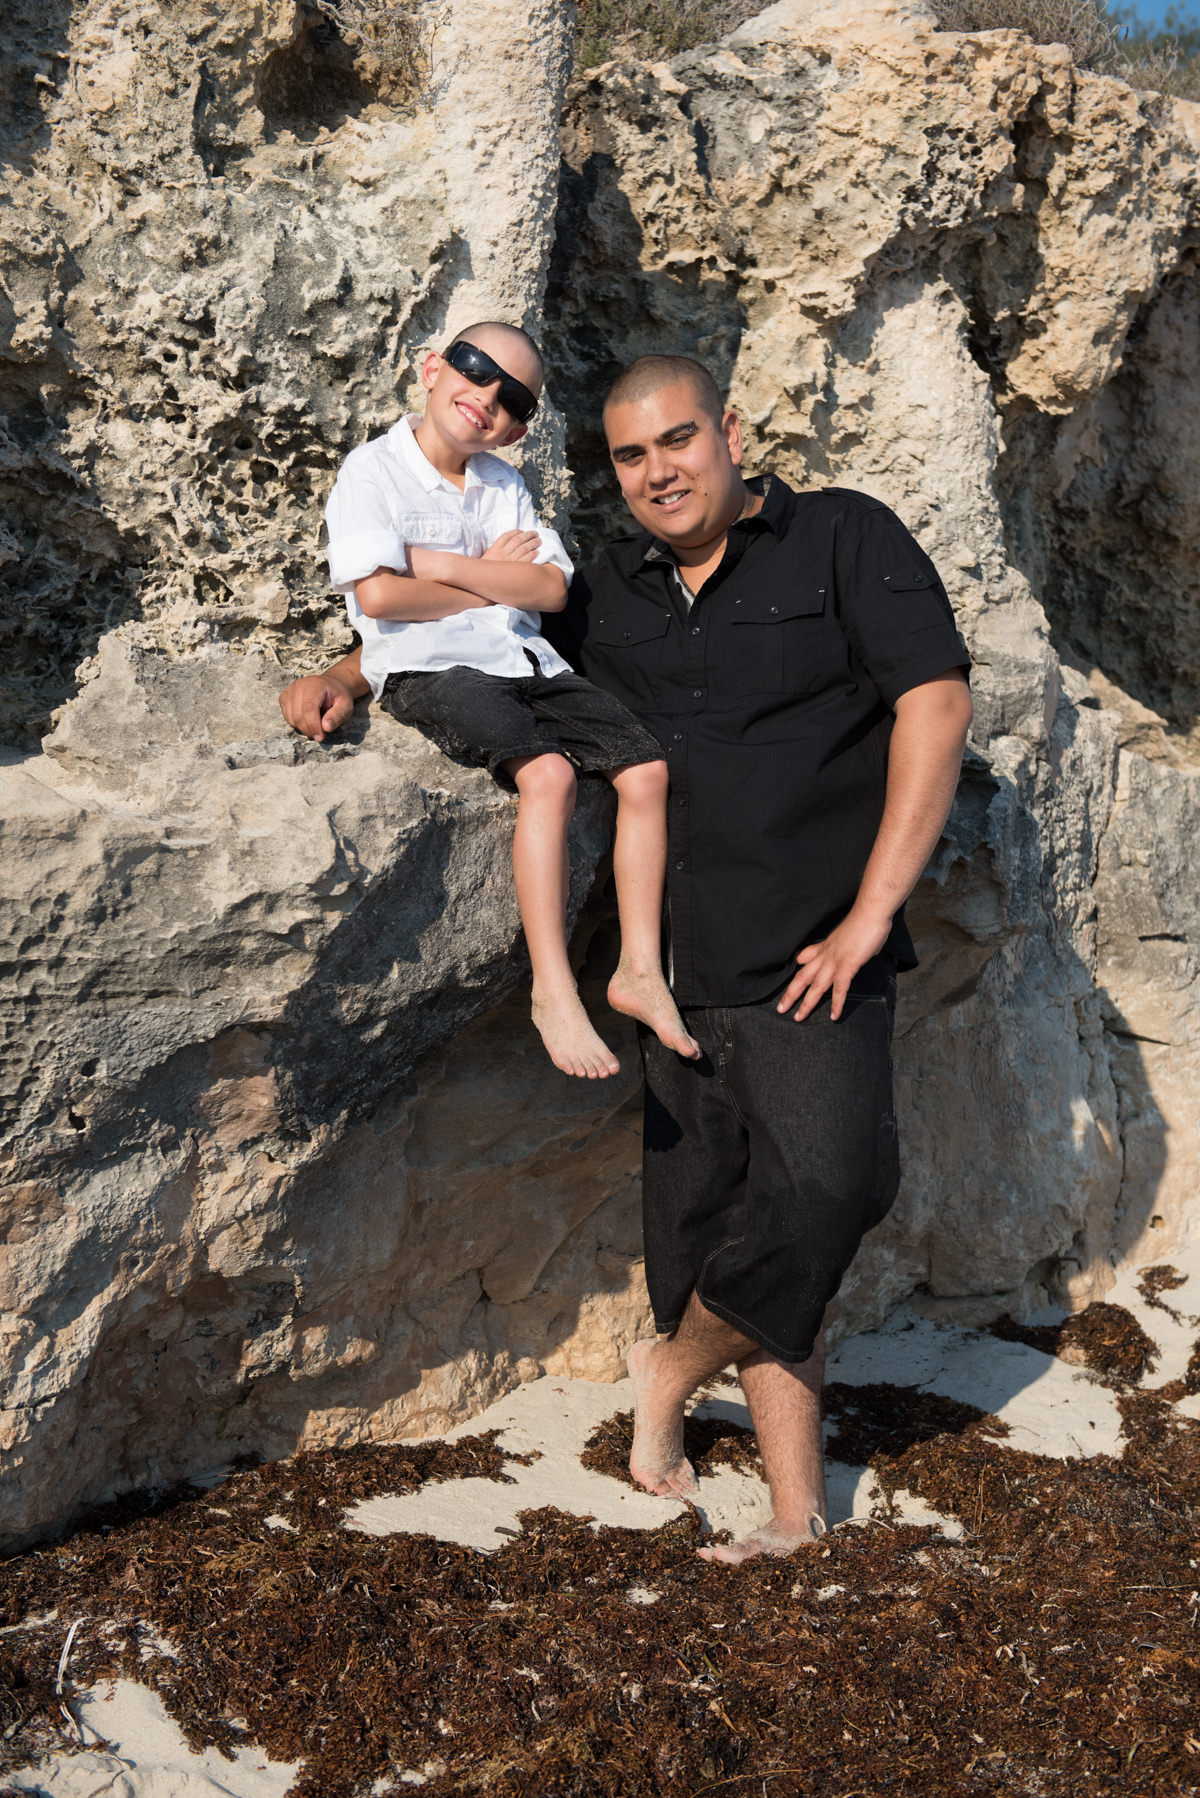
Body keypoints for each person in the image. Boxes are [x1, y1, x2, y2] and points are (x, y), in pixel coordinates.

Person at [281, 352, 973, 1564]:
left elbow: (937, 704)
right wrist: (345, 671)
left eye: (680, 441)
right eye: (631, 455)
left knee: (828, 1192)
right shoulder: (605, 593)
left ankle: (665, 1379)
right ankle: (796, 1514)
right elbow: (488, 636)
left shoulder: (845, 538)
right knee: (714, 1227)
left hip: (818, 952)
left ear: (732, 432)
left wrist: (872, 916)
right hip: (670, 969)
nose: (660, 471)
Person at [298, 320, 698, 1080]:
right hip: (428, 668)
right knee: (545, 775)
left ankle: (639, 969)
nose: (486, 399)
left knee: (644, 770)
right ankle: (552, 988)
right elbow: (380, 595)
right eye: (476, 371)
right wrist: (488, 574)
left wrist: (444, 566)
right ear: (430, 368)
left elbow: (548, 589)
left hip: (525, 660)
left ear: (520, 426)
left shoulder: (503, 486)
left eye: (513, 399)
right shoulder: (372, 472)